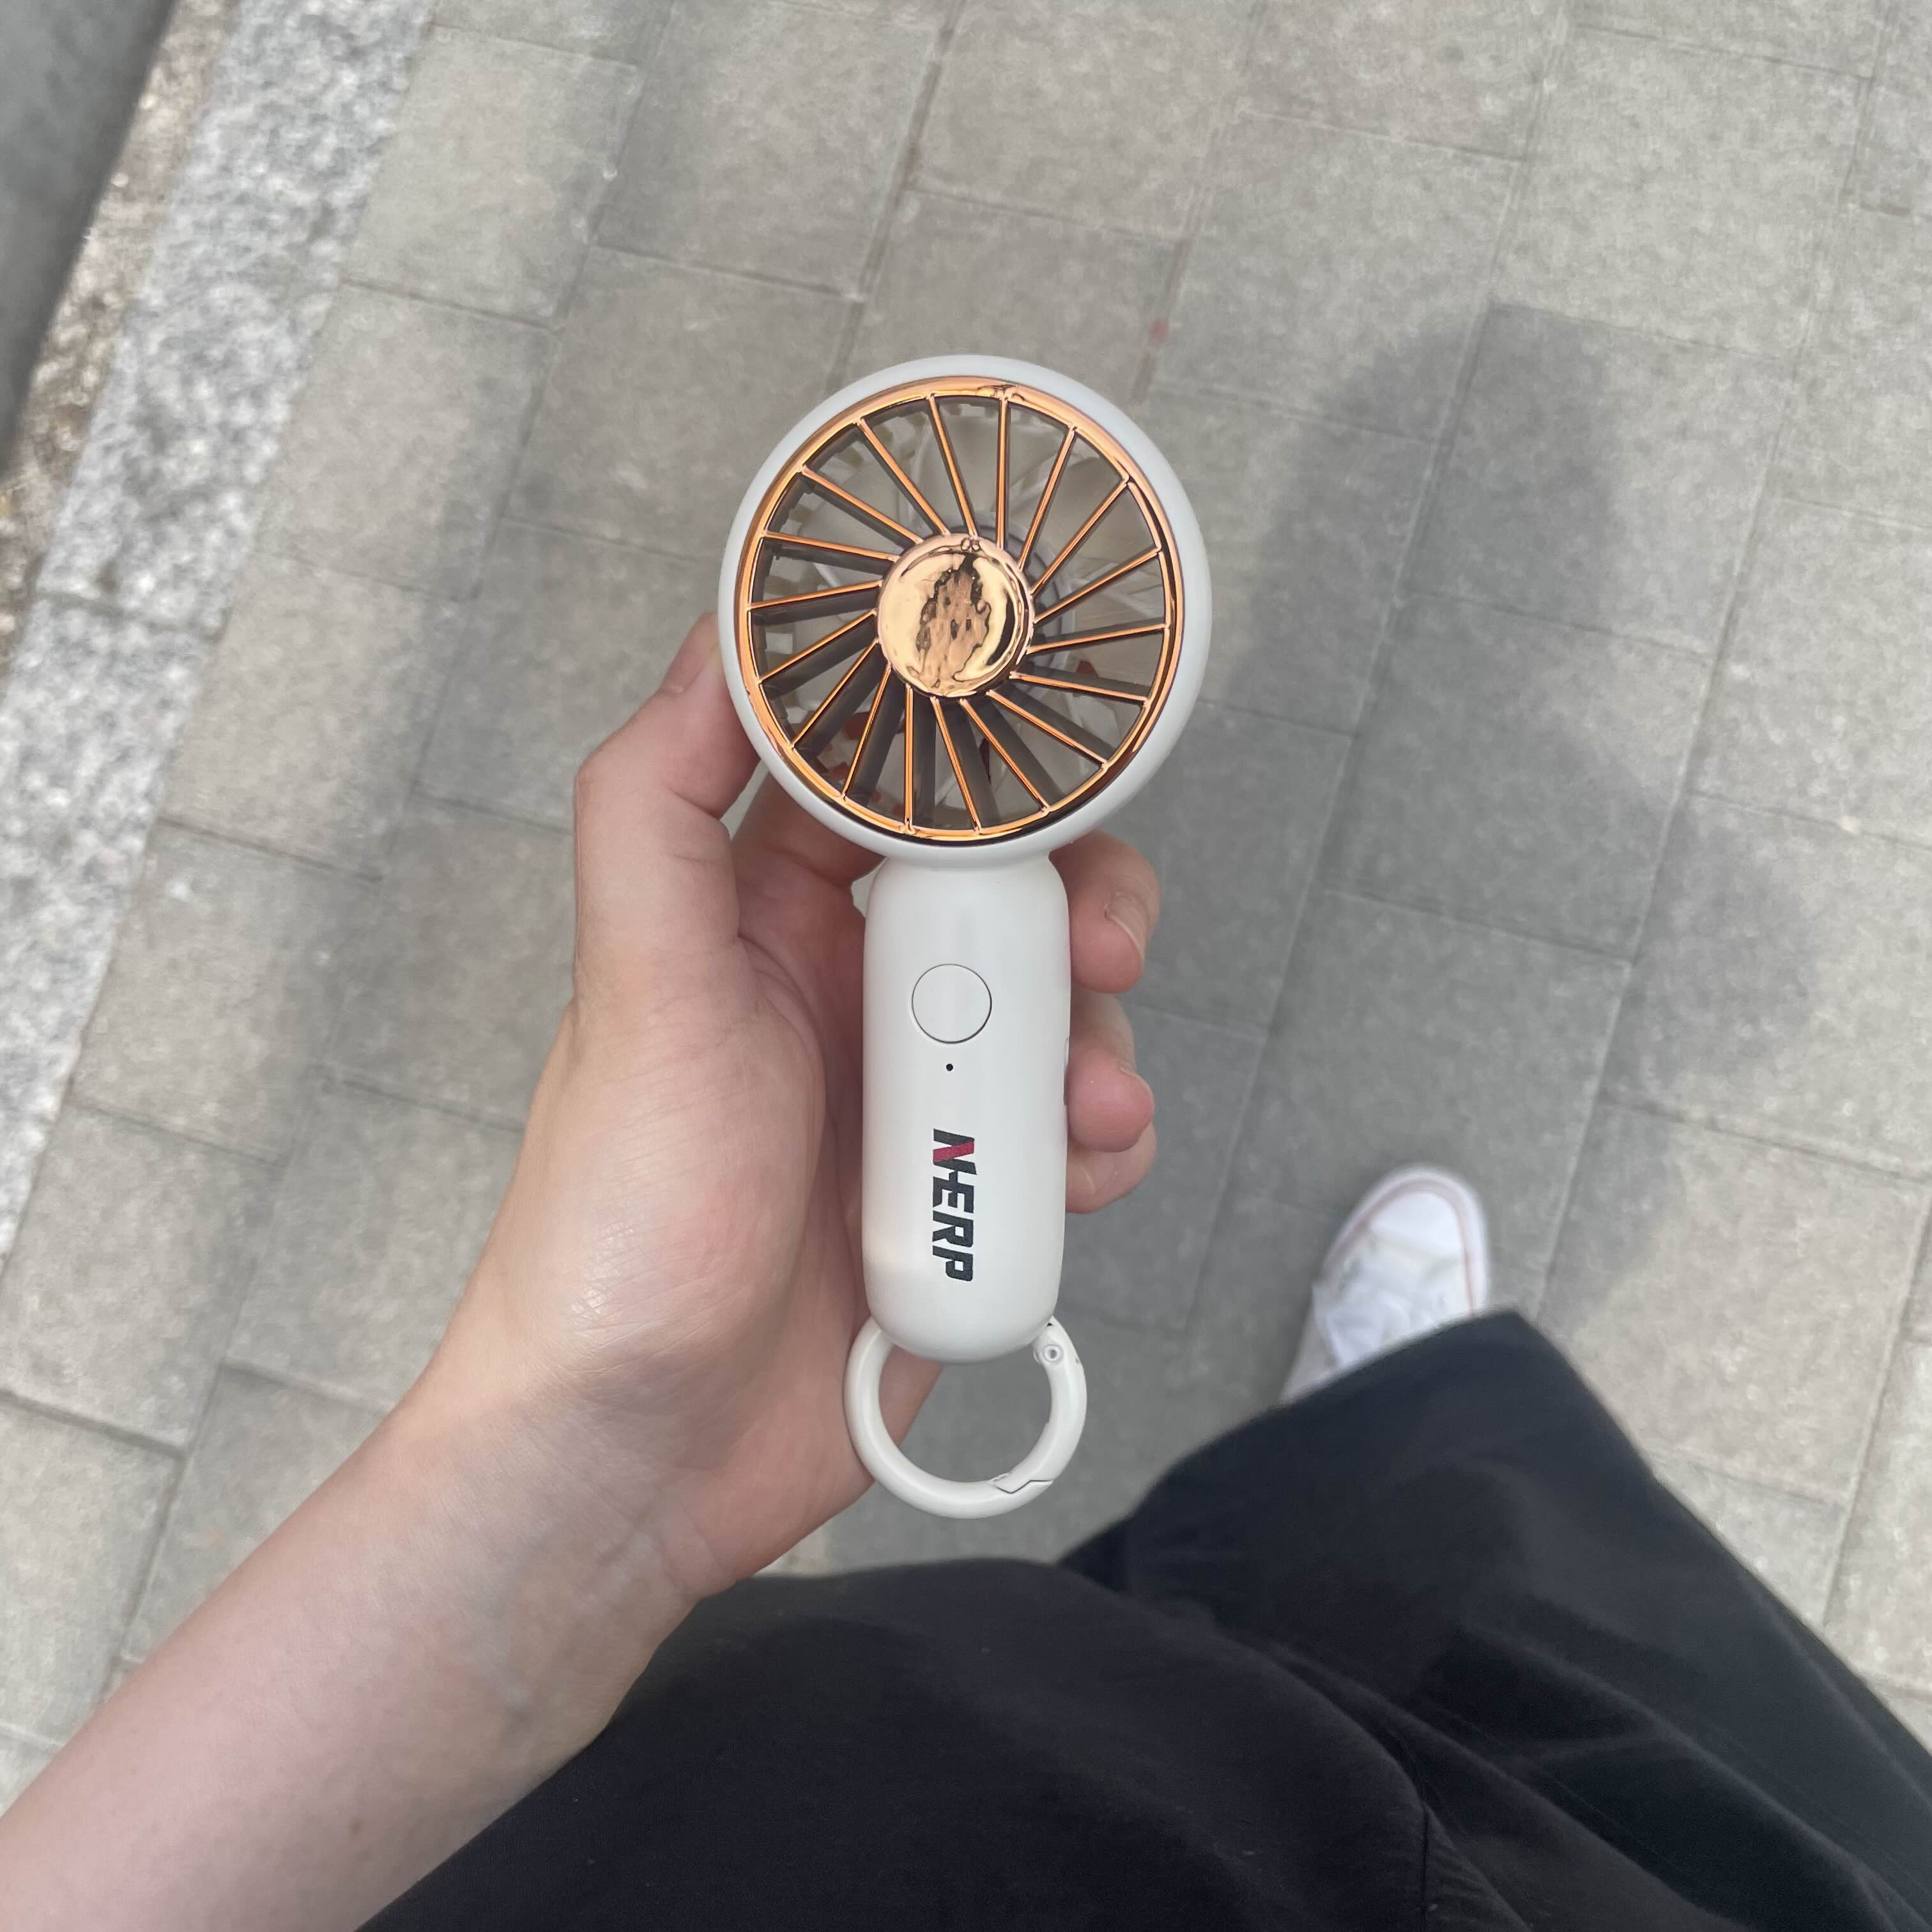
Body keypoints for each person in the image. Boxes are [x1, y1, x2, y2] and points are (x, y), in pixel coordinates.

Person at [3, 616, 1929, 1930]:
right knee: (1548, 1695)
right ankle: (1383, 1482)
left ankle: (1355, 1501)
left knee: (1116, 1695)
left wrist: (571, 1481)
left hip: (787, 1803)